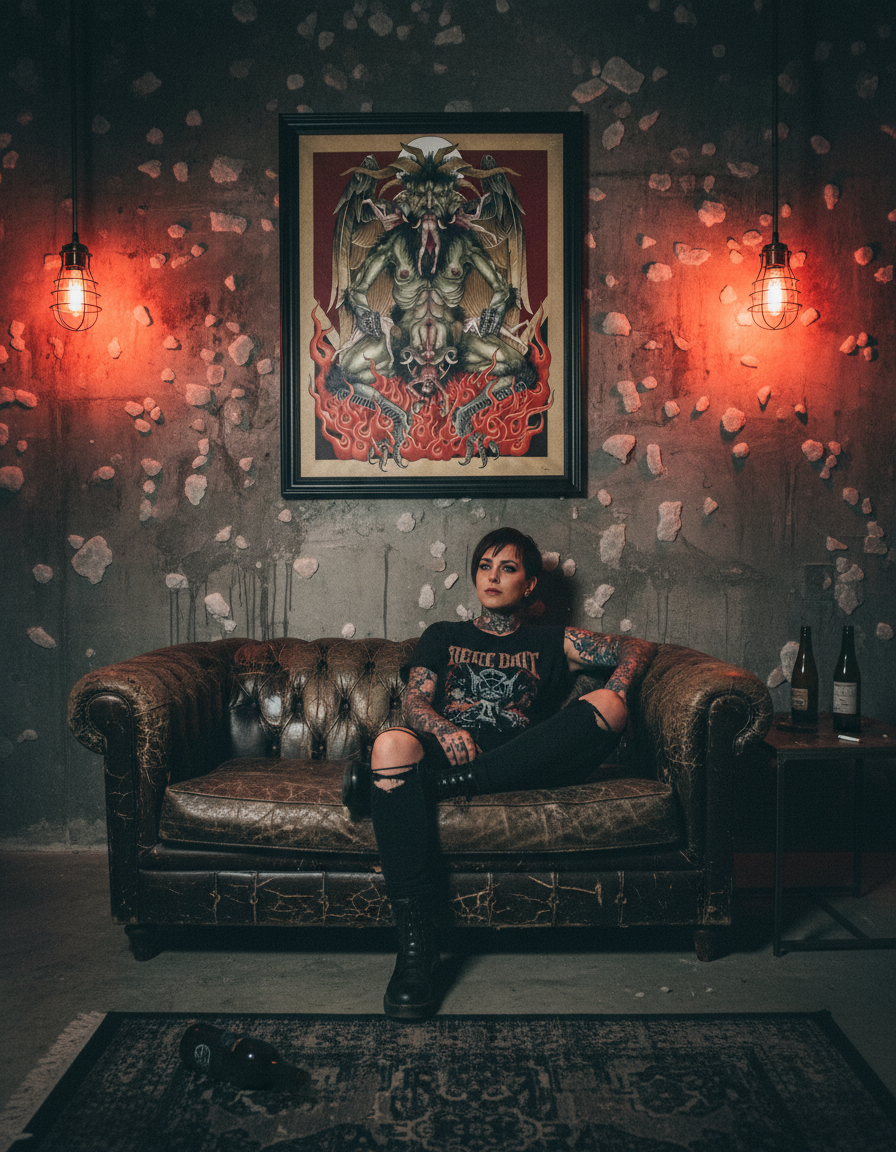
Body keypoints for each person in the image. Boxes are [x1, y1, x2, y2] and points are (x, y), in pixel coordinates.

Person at [343, 527, 656, 1021]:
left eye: (507, 568)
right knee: (389, 743)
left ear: (529, 585)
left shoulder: (553, 641)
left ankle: (421, 789)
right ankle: (415, 949)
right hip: (448, 750)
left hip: (523, 759)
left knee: (610, 705)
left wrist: (619, 691)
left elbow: (635, 648)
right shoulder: (445, 635)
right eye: (485, 566)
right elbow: (414, 700)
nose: (493, 576)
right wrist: (444, 730)